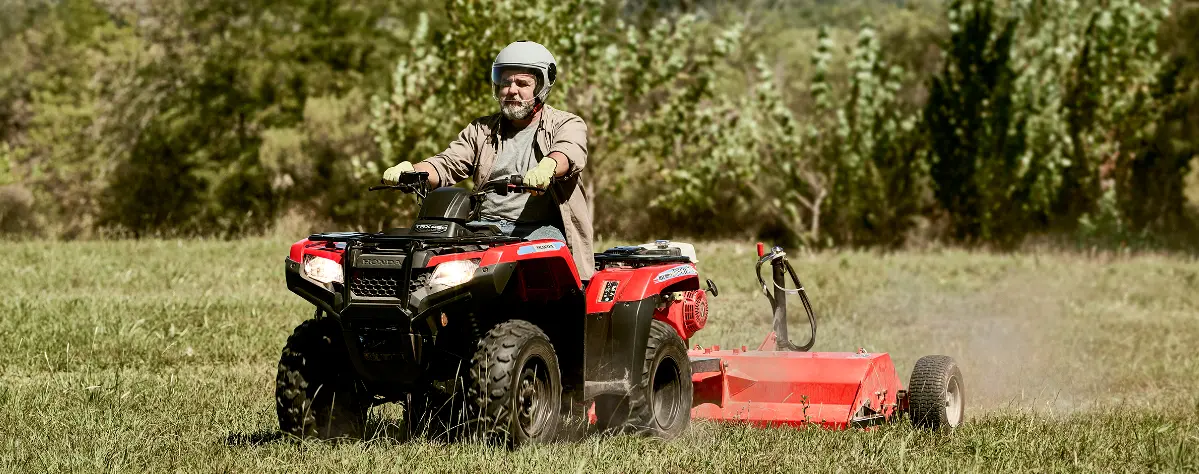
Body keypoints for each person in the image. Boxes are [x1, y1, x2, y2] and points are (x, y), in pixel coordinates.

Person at [381, 40, 595, 280]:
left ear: (542, 87)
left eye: (522, 83)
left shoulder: (566, 123)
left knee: (545, 268)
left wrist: (548, 166)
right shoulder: (482, 129)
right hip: (483, 229)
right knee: (428, 266)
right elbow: (448, 163)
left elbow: (569, 150)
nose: (512, 90)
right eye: (505, 83)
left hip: (539, 230)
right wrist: (412, 170)